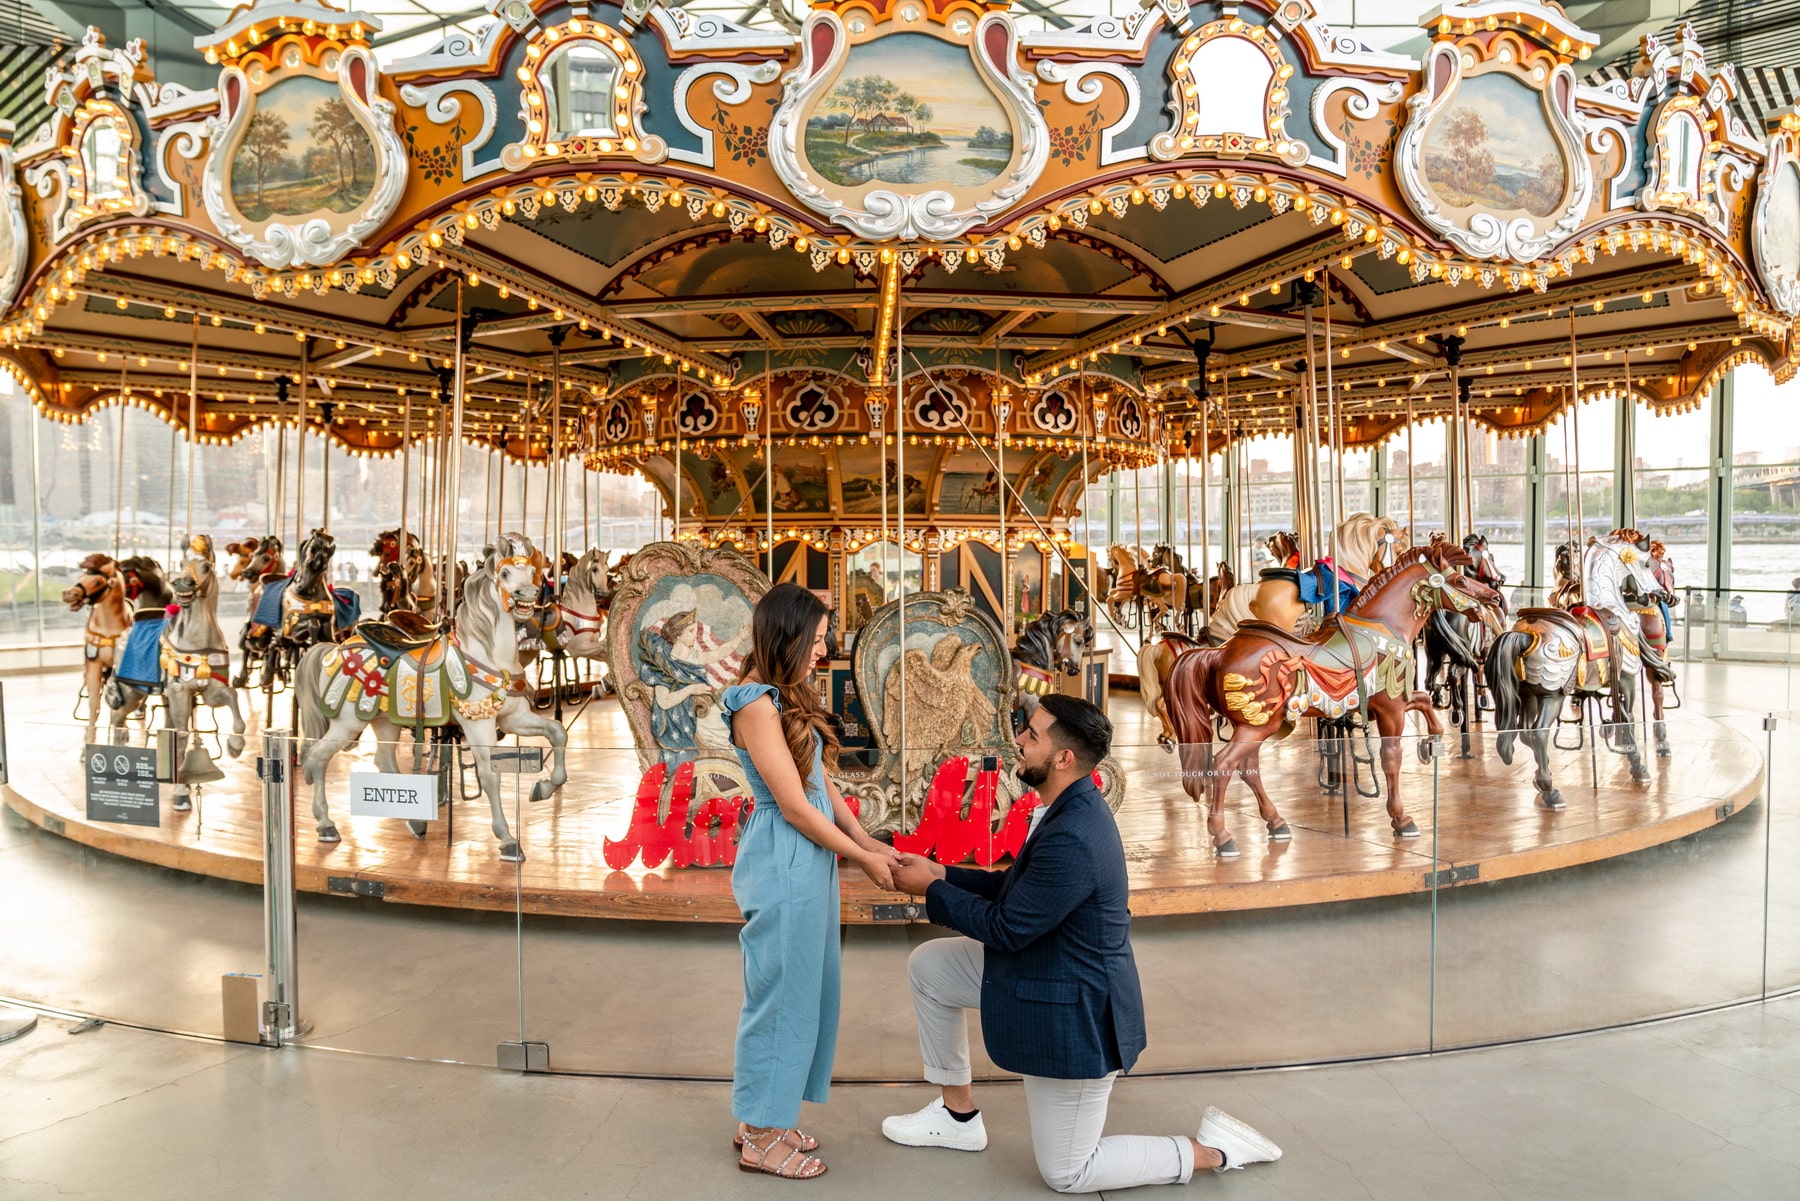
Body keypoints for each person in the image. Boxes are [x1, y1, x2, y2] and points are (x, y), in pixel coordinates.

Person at [881, 694, 1281, 1192]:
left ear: (1064, 758)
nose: (1020, 741)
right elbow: (1018, 895)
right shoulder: (1064, 807)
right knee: (932, 968)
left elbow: (1007, 927)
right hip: (1050, 967)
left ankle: (1216, 1150)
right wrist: (943, 874)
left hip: (1076, 1009)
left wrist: (930, 891)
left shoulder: (1073, 833)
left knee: (1069, 1172)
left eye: (1032, 734)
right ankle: (957, 1118)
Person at [717, 582, 902, 1180]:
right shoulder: (755, 703)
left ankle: (764, 1114)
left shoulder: (786, 698)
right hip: (783, 855)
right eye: (818, 640)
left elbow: (826, 791)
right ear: (788, 637)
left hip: (808, 857)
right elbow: (795, 806)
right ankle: (760, 1137)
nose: (824, 651)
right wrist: (861, 860)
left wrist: (870, 842)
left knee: (805, 990)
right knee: (779, 993)